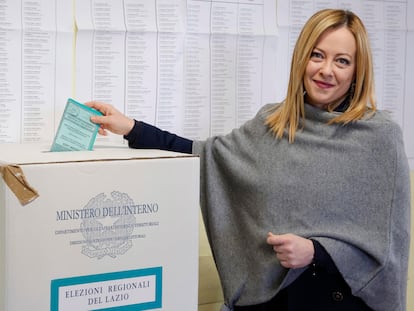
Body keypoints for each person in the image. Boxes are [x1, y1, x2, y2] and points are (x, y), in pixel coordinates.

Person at [86, 9, 411, 311]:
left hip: (332, 299)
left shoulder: (378, 137)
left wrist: (316, 252)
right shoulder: (273, 122)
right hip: (269, 301)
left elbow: (385, 248)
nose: (326, 70)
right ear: (302, 59)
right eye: (317, 55)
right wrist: (130, 127)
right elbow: (206, 155)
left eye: (342, 61)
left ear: (357, 71)